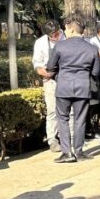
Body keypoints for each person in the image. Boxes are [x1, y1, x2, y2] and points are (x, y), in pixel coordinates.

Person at [47, 18, 100, 163]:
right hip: (83, 87)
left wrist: (59, 77)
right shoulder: (92, 48)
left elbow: (50, 67)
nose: (64, 31)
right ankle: (79, 151)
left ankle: (67, 153)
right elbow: (96, 72)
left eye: (65, 29)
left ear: (71, 30)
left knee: (62, 119)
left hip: (63, 86)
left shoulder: (59, 46)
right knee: (80, 120)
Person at [33, 20, 65, 152]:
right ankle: (52, 140)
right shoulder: (40, 43)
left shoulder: (67, 38)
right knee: (52, 110)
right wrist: (42, 72)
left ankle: (68, 138)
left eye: (57, 33)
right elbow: (37, 62)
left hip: (67, 76)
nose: (55, 36)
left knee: (70, 110)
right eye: (52, 35)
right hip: (50, 79)